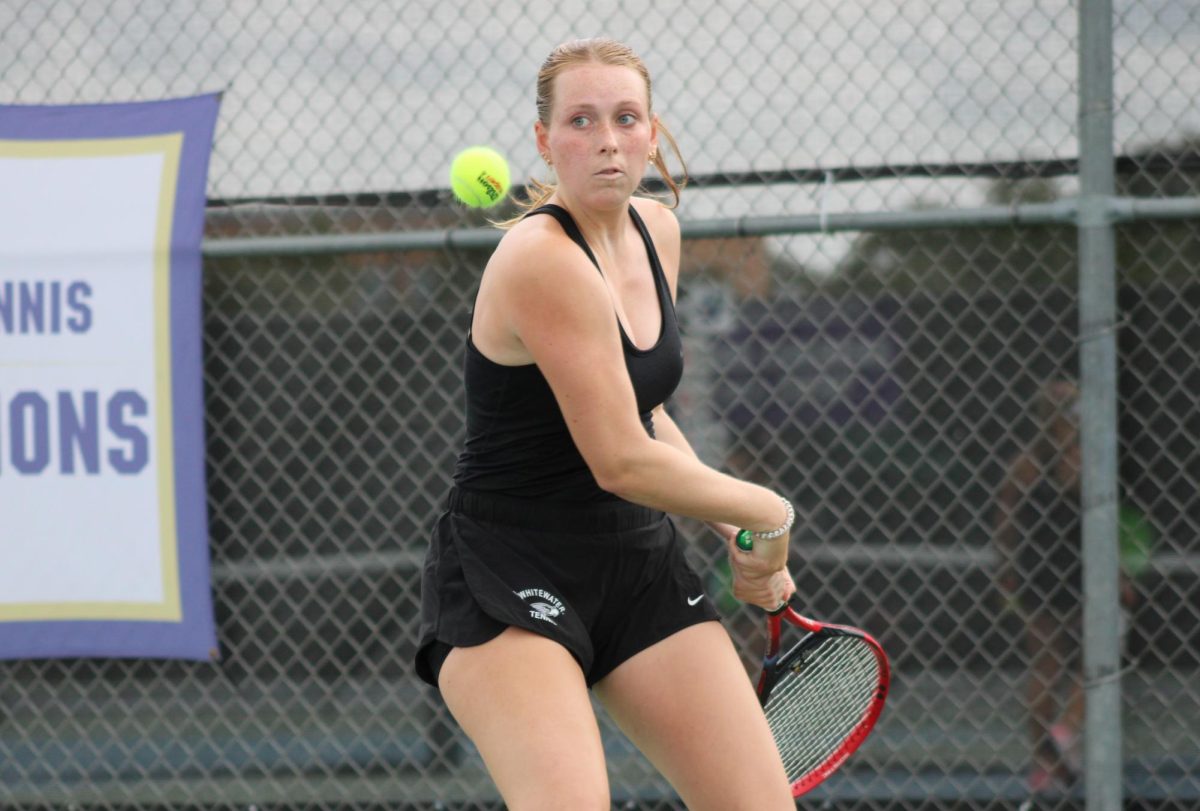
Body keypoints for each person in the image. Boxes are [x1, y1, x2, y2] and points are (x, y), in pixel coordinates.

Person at [414, 37, 797, 810]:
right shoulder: (540, 261)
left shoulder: (659, 232)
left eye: (625, 118)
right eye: (581, 121)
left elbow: (644, 414)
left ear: (652, 132)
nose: (607, 141)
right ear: (545, 142)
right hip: (509, 569)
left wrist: (731, 533)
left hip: (635, 563)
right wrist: (764, 511)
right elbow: (620, 459)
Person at [993, 378, 1137, 794]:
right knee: (1097, 653)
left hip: (1037, 569)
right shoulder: (1083, 461)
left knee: (1046, 664)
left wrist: (1007, 567)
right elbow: (1102, 523)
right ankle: (1062, 736)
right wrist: (1118, 575)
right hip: (1076, 569)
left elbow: (1004, 521)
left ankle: (1045, 756)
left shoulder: (1025, 463)